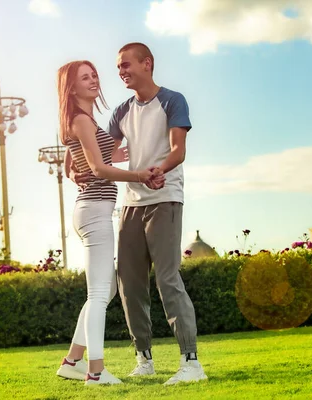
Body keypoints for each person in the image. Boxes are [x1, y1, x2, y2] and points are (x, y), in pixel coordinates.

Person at [69, 43, 208, 386]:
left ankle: (190, 362)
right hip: (131, 204)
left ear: (147, 64)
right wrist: (74, 169)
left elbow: (179, 150)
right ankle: (143, 358)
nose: (120, 72)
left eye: (126, 65)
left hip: (164, 198)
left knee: (167, 278)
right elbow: (101, 150)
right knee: (129, 284)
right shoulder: (121, 111)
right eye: (118, 67)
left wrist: (158, 170)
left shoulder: (173, 101)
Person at [54, 59, 164, 386]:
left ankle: (72, 360)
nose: (94, 80)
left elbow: (82, 164)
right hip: (94, 208)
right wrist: (139, 176)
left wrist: (139, 149)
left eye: (94, 75)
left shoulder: (82, 121)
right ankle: (95, 371)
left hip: (92, 208)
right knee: (100, 292)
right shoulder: (80, 120)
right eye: (85, 78)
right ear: (71, 87)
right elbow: (99, 170)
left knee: (107, 289)